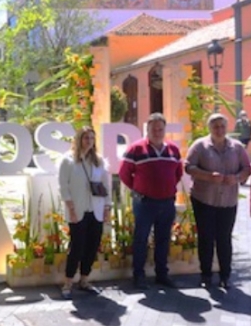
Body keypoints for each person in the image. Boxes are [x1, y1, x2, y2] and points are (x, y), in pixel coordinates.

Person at [185, 113, 251, 290]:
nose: (219, 130)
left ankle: (225, 276)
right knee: (205, 238)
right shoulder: (200, 146)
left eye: (222, 126)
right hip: (203, 199)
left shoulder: (237, 147)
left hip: (228, 201)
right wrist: (207, 176)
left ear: (227, 127)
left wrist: (236, 178)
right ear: (210, 128)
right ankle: (205, 274)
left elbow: (247, 168)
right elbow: (188, 166)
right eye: (215, 126)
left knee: (224, 239)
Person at [119, 113, 183, 290]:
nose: (157, 132)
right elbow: (124, 174)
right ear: (146, 130)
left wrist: (166, 187)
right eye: (153, 129)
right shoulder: (136, 149)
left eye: (160, 129)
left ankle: (161, 274)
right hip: (145, 203)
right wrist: (139, 189)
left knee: (163, 240)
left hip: (167, 203)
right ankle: (138, 276)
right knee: (141, 239)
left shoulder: (173, 149)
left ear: (164, 130)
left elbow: (178, 173)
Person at [58, 126, 112, 299]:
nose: (89, 141)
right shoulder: (67, 161)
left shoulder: (99, 161)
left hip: (95, 209)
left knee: (92, 246)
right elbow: (63, 187)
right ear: (79, 139)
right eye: (85, 138)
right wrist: (71, 209)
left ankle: (84, 279)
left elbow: (106, 186)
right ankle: (68, 282)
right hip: (78, 210)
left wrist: (107, 207)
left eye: (91, 138)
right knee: (77, 247)